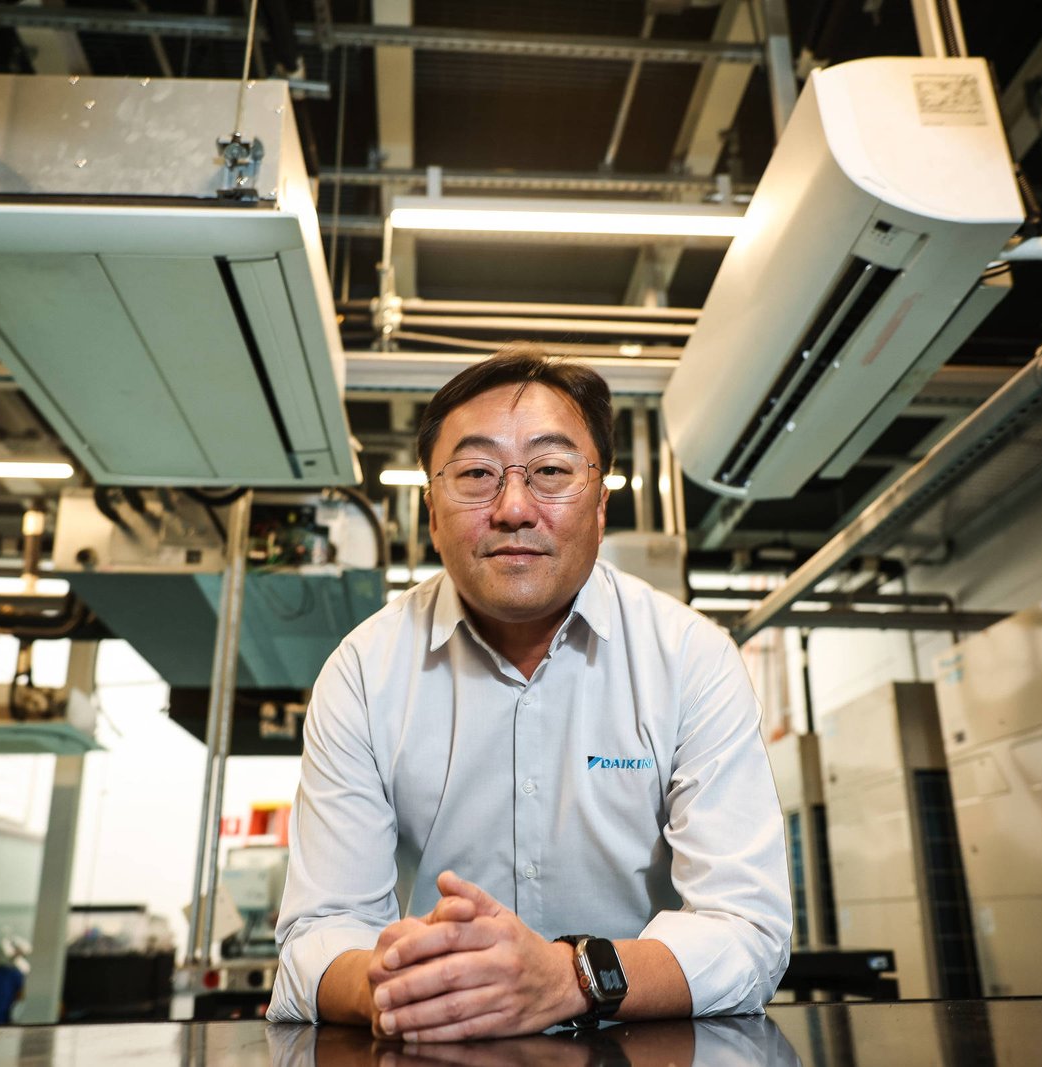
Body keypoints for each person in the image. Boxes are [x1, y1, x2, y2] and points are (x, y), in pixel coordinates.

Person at [267, 345, 791, 1040]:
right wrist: (403, 987)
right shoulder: (364, 670)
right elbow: (318, 933)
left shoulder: (689, 658)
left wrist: (568, 975)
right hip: (437, 1041)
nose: (514, 507)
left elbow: (747, 927)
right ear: (430, 510)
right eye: (477, 474)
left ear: (601, 506)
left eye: (550, 471)